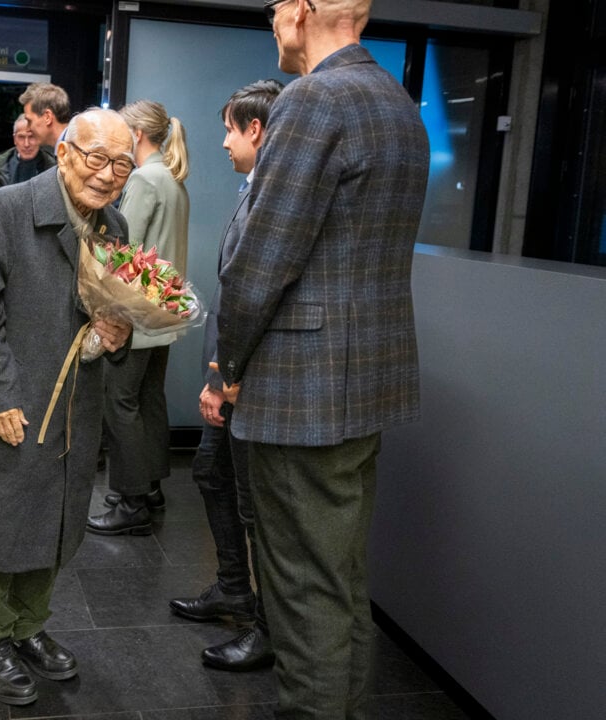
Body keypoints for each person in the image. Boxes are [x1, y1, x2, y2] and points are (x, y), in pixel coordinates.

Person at [217, 1, 430, 717]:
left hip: (299, 391)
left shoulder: (312, 98)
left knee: (300, 588)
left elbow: (260, 264)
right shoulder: (397, 101)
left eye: (275, 9)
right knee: (337, 578)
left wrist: (228, 368)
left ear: (300, 13)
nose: (272, 24)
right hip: (364, 382)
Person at [0, 109, 135, 707]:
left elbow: (106, 315)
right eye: (96, 157)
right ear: (65, 152)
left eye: (121, 163)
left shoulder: (114, 226)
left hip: (75, 400)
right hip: (14, 398)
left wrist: (116, 333)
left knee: (54, 520)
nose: (106, 174)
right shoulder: (9, 209)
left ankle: (28, 626)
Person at [164, 81, 284, 673]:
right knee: (211, 471)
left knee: (252, 504)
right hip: (230, 370)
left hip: (247, 380)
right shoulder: (253, 187)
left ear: (255, 131)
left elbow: (252, 295)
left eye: (231, 130)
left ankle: (268, 626)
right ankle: (235, 589)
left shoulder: (275, 196)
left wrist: (221, 377)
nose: (223, 141)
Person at [85, 99, 190, 536]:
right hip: (163, 315)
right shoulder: (174, 178)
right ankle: (149, 487)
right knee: (150, 401)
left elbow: (122, 247)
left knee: (121, 404)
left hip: (136, 316)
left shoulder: (145, 179)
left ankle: (130, 502)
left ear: (137, 135)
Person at [0, 114, 57, 188]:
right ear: (14, 139)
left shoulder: (56, 169)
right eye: (21, 137)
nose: (26, 144)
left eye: (31, 137)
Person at [19, 82, 71, 148]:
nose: (27, 129)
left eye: (29, 121)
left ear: (47, 117)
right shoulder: (67, 148)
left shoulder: (78, 151)